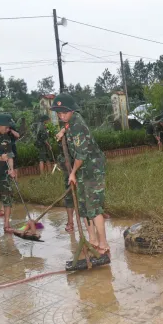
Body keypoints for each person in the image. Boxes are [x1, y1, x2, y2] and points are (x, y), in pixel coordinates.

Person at [52, 93, 110, 256]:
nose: (61, 115)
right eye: (58, 112)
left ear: (71, 110)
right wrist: (63, 130)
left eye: (64, 112)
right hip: (83, 171)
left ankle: (103, 244)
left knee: (94, 207)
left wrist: (72, 173)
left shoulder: (77, 126)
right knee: (83, 207)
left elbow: (80, 155)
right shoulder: (70, 122)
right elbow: (69, 126)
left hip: (92, 170)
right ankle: (92, 240)